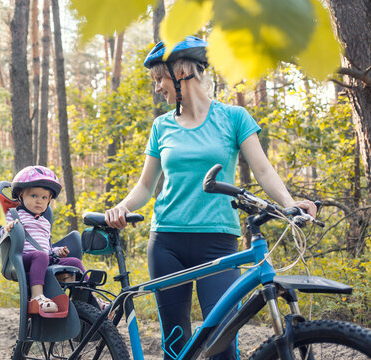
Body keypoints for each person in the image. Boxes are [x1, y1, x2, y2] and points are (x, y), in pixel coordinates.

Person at [104, 36, 317, 360]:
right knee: (176, 344)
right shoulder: (161, 126)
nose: (157, 87)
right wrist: (121, 207)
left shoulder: (234, 118)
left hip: (218, 242)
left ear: (183, 72)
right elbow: (146, 186)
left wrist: (289, 204)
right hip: (166, 243)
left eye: (160, 78)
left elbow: (262, 169)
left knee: (222, 343)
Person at [2, 165, 108, 313]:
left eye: (44, 197)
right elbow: (3, 233)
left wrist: (58, 251)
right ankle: (37, 296)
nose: (39, 201)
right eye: (34, 196)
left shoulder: (44, 222)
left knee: (75, 262)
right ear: (20, 195)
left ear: (49, 200)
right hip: (23, 259)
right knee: (40, 256)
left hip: (44, 258)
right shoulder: (14, 215)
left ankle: (91, 298)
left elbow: (46, 248)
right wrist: (9, 228)